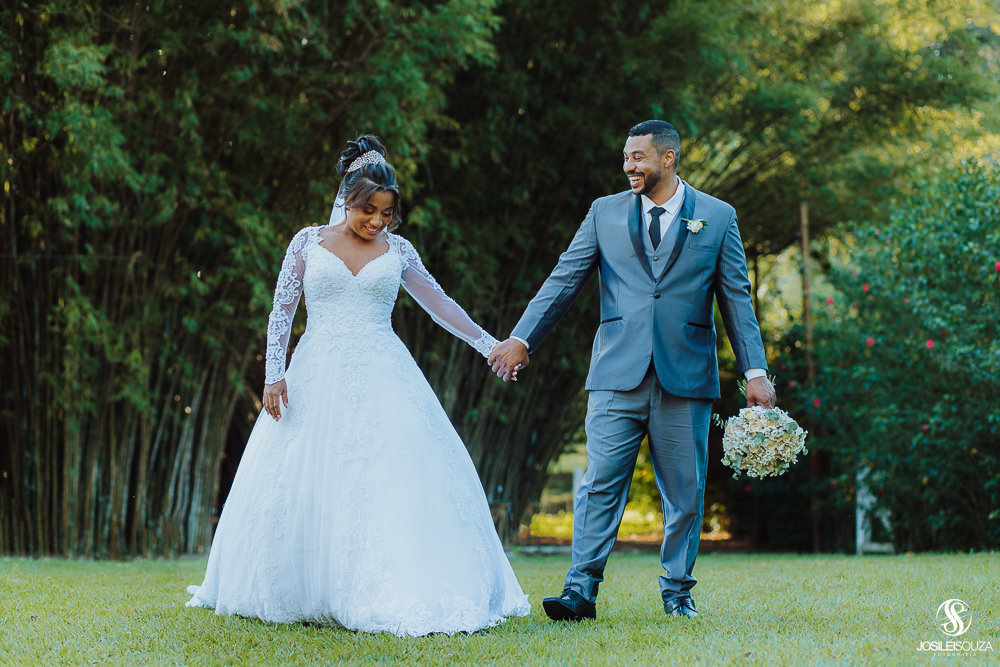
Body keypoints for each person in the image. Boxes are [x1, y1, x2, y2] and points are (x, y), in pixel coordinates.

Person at [187, 135, 530, 636]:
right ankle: (300, 585)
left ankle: (386, 585)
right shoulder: (308, 242)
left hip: (383, 370)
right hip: (314, 373)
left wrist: (490, 345)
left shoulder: (398, 250)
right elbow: (282, 310)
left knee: (387, 475)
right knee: (304, 476)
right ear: (347, 199)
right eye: (368, 210)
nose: (376, 222)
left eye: (386, 214)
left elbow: (439, 304)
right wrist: (273, 374)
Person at [489, 120, 775, 621]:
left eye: (638, 157)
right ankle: (580, 592)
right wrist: (522, 338)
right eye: (625, 157)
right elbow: (564, 279)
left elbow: (736, 299)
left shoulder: (717, 216)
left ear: (668, 158)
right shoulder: (604, 212)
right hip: (615, 373)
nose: (628, 166)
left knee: (685, 492)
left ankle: (678, 593)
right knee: (599, 483)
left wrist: (755, 371)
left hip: (686, 376)